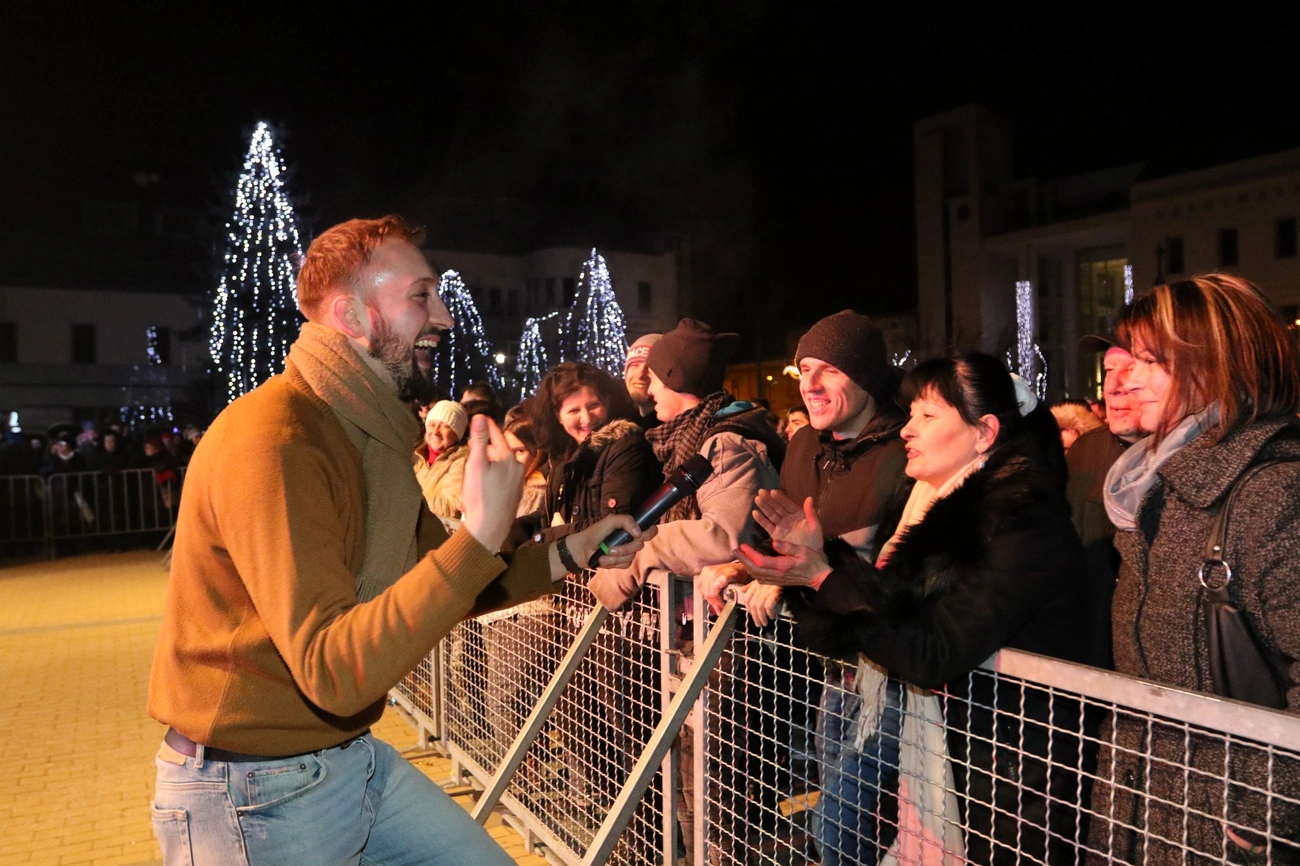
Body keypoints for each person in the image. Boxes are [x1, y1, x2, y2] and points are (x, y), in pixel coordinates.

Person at [146, 215, 651, 866]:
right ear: (351, 315)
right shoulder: (276, 442)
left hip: (346, 759)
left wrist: (572, 550)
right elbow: (331, 670)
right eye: (420, 296)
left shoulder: (371, 434)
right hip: (251, 792)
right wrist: (479, 532)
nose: (444, 316)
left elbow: (447, 578)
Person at [743, 352, 1097, 865]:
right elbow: (887, 609)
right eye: (910, 413)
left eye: (928, 415)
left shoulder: (1021, 521)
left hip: (1012, 778)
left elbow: (931, 651)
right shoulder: (930, 507)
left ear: (984, 432)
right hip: (955, 759)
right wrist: (820, 561)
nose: (907, 429)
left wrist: (822, 576)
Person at [1089, 275, 1300, 864]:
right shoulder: (1154, 489)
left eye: (1151, 360)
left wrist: (1264, 814)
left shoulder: (1272, 492)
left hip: (1219, 828)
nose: (1126, 378)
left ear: (1216, 366)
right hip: (1143, 806)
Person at [701, 309, 909, 866]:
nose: (810, 385)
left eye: (829, 370)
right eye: (803, 369)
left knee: (845, 823)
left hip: (893, 672)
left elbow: (891, 565)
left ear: (866, 375)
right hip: (832, 668)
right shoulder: (803, 447)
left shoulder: (903, 453)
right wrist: (751, 570)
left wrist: (794, 578)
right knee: (840, 811)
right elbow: (789, 540)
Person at [588, 317, 785, 865]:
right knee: (686, 773)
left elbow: (721, 534)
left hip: (722, 640)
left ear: (676, 378)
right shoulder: (688, 442)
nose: (648, 389)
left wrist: (642, 554)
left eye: (655, 378)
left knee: (713, 785)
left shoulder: (726, 443)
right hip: (693, 635)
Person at [510, 360, 663, 822]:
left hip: (617, 610)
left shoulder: (624, 444)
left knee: (621, 727)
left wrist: (545, 538)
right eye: (573, 409)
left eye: (593, 405)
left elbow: (609, 527)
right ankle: (607, 823)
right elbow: (562, 524)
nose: (585, 417)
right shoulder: (564, 457)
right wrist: (527, 532)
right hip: (576, 605)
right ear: (556, 415)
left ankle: (639, 834)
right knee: (578, 721)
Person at [1066, 335, 1142, 669]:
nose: (1113, 386)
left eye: (1131, 368)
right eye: (1109, 370)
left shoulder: (1191, 457)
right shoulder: (1087, 450)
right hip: (1091, 657)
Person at [414, 399, 469, 519]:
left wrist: (409, 498)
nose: (435, 431)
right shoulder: (417, 455)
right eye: (432, 425)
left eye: (444, 426)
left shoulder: (461, 462)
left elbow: (450, 507)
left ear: (457, 433)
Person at [624, 332, 662, 428]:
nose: (640, 374)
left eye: (650, 367)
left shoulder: (675, 429)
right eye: (634, 365)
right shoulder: (620, 421)